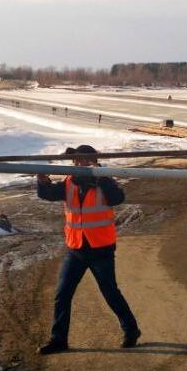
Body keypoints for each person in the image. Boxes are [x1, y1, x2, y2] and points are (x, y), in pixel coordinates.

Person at [34, 145, 139, 354]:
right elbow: (47, 194)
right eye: (77, 161)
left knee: (110, 292)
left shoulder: (104, 179)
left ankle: (131, 330)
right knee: (62, 294)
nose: (80, 164)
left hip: (101, 249)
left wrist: (100, 177)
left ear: (93, 161)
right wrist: (42, 179)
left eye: (85, 160)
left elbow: (117, 198)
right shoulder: (69, 182)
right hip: (76, 249)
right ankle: (59, 340)